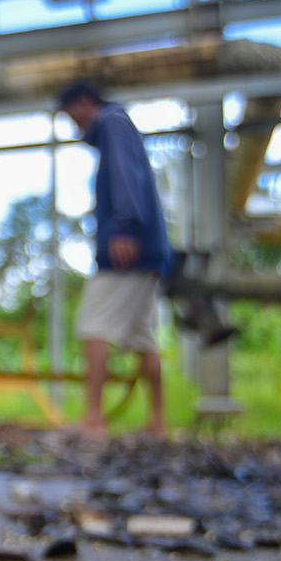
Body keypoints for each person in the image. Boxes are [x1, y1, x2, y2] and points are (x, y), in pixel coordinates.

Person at [59, 81, 173, 440]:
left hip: (127, 251)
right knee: (143, 336)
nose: (74, 126)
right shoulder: (119, 123)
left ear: (84, 103)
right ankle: (158, 421)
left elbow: (126, 173)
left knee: (93, 325)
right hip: (149, 251)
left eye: (71, 116)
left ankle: (93, 418)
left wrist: (124, 226)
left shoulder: (112, 121)